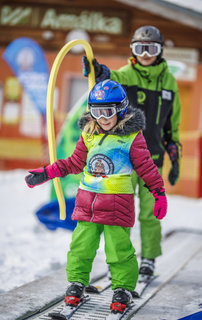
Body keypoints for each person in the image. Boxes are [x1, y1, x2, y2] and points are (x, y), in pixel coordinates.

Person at [25, 80, 167, 314]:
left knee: (119, 250)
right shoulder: (89, 134)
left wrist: (158, 193)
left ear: (121, 109)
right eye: (96, 112)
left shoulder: (132, 137)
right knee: (80, 247)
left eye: (108, 112)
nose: (102, 118)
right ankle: (77, 283)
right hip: (87, 204)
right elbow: (74, 163)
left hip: (117, 205)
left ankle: (122, 288)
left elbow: (146, 167)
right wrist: (47, 172)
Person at [83, 25, 181, 278]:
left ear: (160, 51)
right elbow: (113, 78)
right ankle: (121, 258)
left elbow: (173, 121)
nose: (146, 54)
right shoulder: (128, 74)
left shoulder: (169, 82)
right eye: (140, 49)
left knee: (150, 214)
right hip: (124, 159)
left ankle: (149, 258)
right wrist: (101, 72)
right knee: (122, 212)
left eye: (151, 49)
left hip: (154, 158)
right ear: (132, 51)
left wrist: (174, 150)